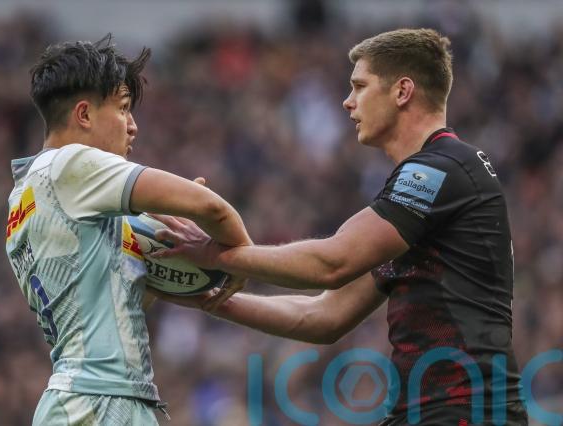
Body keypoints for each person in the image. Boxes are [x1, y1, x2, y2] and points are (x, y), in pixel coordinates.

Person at [151, 29, 528, 424]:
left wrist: (217, 255)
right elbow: (323, 315)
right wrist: (204, 295)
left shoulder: (440, 169)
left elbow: (331, 263)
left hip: (466, 412)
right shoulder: (429, 189)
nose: (348, 101)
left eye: (360, 86)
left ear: (402, 91)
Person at [4, 35, 250, 425]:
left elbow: (117, 305)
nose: (133, 126)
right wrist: (243, 260)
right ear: (84, 115)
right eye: (122, 109)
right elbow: (210, 206)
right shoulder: (69, 164)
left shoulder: (27, 195)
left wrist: (159, 254)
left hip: (95, 399)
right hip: (94, 403)